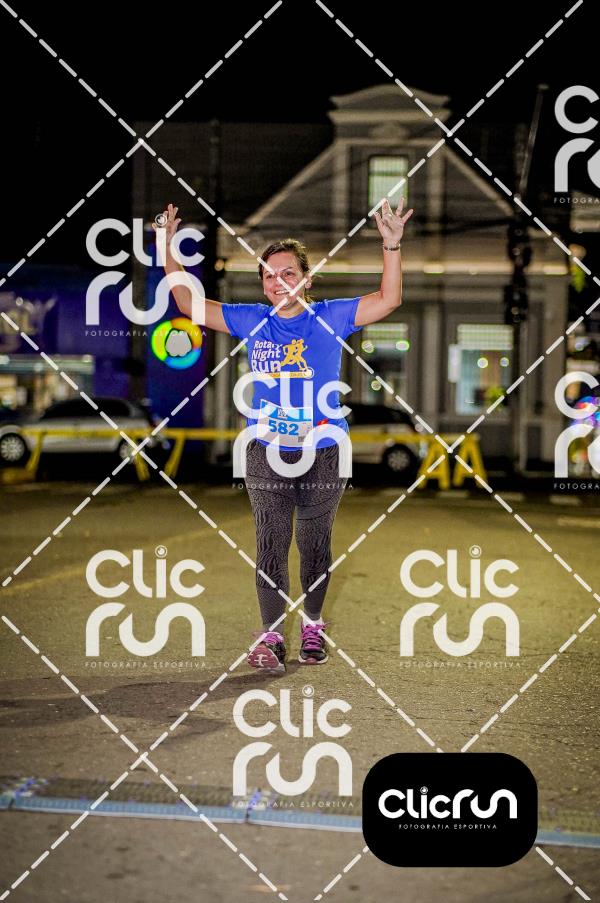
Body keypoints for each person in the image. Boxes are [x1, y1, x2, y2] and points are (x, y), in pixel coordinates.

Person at [153, 197, 413, 672]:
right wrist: (166, 247)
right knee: (270, 543)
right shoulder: (253, 320)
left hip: (324, 451)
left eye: (288, 273)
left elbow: (388, 299)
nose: (279, 282)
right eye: (270, 275)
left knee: (314, 544)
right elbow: (188, 302)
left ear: (306, 279)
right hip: (265, 449)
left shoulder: (330, 316)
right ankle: (271, 637)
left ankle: (312, 625)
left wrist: (391, 246)